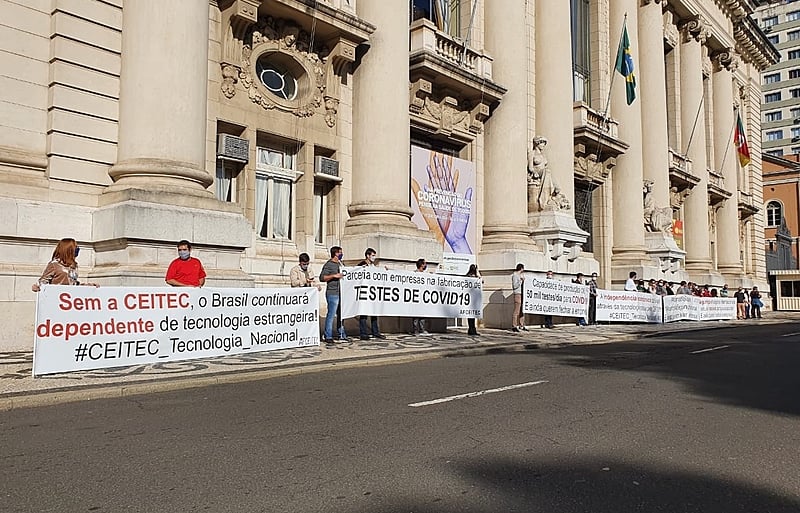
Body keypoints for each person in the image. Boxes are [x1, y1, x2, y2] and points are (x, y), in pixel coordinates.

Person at [32, 238, 98, 291]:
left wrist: (88, 286)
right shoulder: (54, 264)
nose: (77, 249)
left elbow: (73, 284)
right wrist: (37, 286)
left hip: (70, 299)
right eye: (75, 247)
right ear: (69, 250)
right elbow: (43, 281)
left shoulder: (73, 265)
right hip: (57, 298)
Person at [357, 248, 387, 340]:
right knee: (364, 314)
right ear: (367, 255)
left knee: (374, 313)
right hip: (365, 293)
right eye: (373, 255)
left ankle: (375, 332)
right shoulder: (361, 265)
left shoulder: (373, 266)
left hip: (372, 293)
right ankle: (363, 333)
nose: (374, 257)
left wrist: (383, 270)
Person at [320, 246, 347, 344]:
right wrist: (333, 276)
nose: (341, 254)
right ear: (336, 253)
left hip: (341, 293)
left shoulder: (341, 264)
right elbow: (322, 277)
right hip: (332, 293)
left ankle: (341, 334)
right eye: (340, 252)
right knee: (331, 315)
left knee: (341, 315)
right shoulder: (329, 264)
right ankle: (328, 335)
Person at [411, 258, 430, 335]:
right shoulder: (414, 274)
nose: (425, 265)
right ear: (422, 265)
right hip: (416, 297)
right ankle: (415, 330)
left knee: (423, 315)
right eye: (425, 263)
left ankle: (422, 329)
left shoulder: (425, 275)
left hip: (423, 298)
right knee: (415, 315)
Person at [465, 264, 481, 336]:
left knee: (470, 315)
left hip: (469, 298)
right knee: (472, 316)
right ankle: (472, 329)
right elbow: (481, 279)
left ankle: (471, 329)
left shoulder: (467, 276)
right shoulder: (474, 278)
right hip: (472, 299)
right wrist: (478, 272)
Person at [511, 263, 527, 332]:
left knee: (522, 310)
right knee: (517, 310)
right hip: (517, 293)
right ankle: (514, 325)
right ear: (521, 268)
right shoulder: (515, 275)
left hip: (522, 293)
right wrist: (521, 281)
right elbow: (515, 286)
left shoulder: (520, 275)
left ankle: (521, 324)